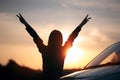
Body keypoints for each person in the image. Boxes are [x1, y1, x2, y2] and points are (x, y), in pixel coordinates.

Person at [16, 13, 91, 80]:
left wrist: (24, 23)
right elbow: (72, 37)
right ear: (60, 40)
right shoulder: (63, 50)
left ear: (50, 39)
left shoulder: (45, 49)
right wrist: (82, 24)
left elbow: (35, 36)